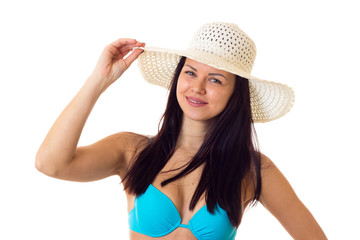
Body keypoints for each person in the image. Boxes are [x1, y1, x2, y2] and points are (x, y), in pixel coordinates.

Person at [36, 22, 327, 239]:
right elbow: (50, 164)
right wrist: (99, 81)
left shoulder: (252, 169)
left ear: (235, 94)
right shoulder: (132, 151)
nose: (197, 87)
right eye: (190, 73)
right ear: (178, 77)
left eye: (215, 80)